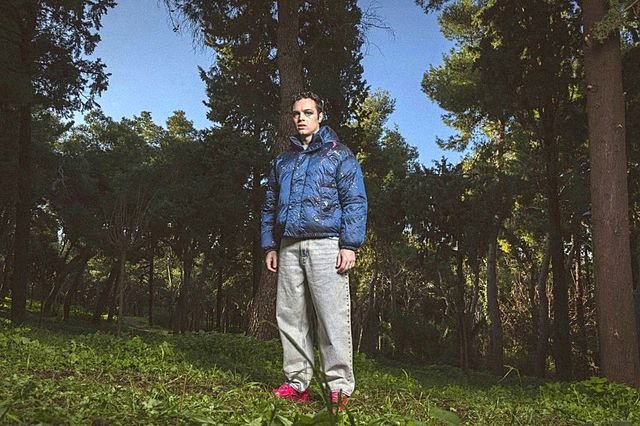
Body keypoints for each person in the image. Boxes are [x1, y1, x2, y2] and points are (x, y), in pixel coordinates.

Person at [261, 91, 367, 409]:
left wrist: (349, 244)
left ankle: (339, 387)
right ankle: (297, 383)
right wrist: (270, 244)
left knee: (332, 317)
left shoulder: (339, 155)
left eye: (308, 112)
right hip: (288, 245)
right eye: (296, 113)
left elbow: (355, 201)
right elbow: (269, 204)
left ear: (320, 116)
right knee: (290, 316)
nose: (301, 118)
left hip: (326, 244)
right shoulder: (283, 161)